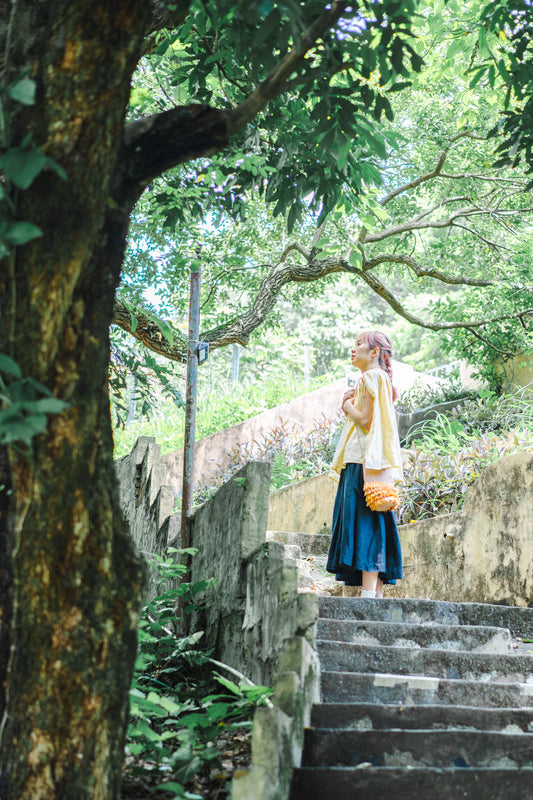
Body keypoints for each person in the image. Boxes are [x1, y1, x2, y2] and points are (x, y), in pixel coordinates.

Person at [326, 331, 403, 598]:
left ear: (374, 352)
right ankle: (375, 593)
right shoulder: (379, 379)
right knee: (375, 523)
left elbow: (367, 420)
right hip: (374, 462)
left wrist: (346, 405)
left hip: (362, 460)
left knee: (364, 523)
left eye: (359, 344)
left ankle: (368, 594)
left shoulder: (370, 377)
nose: (353, 349)